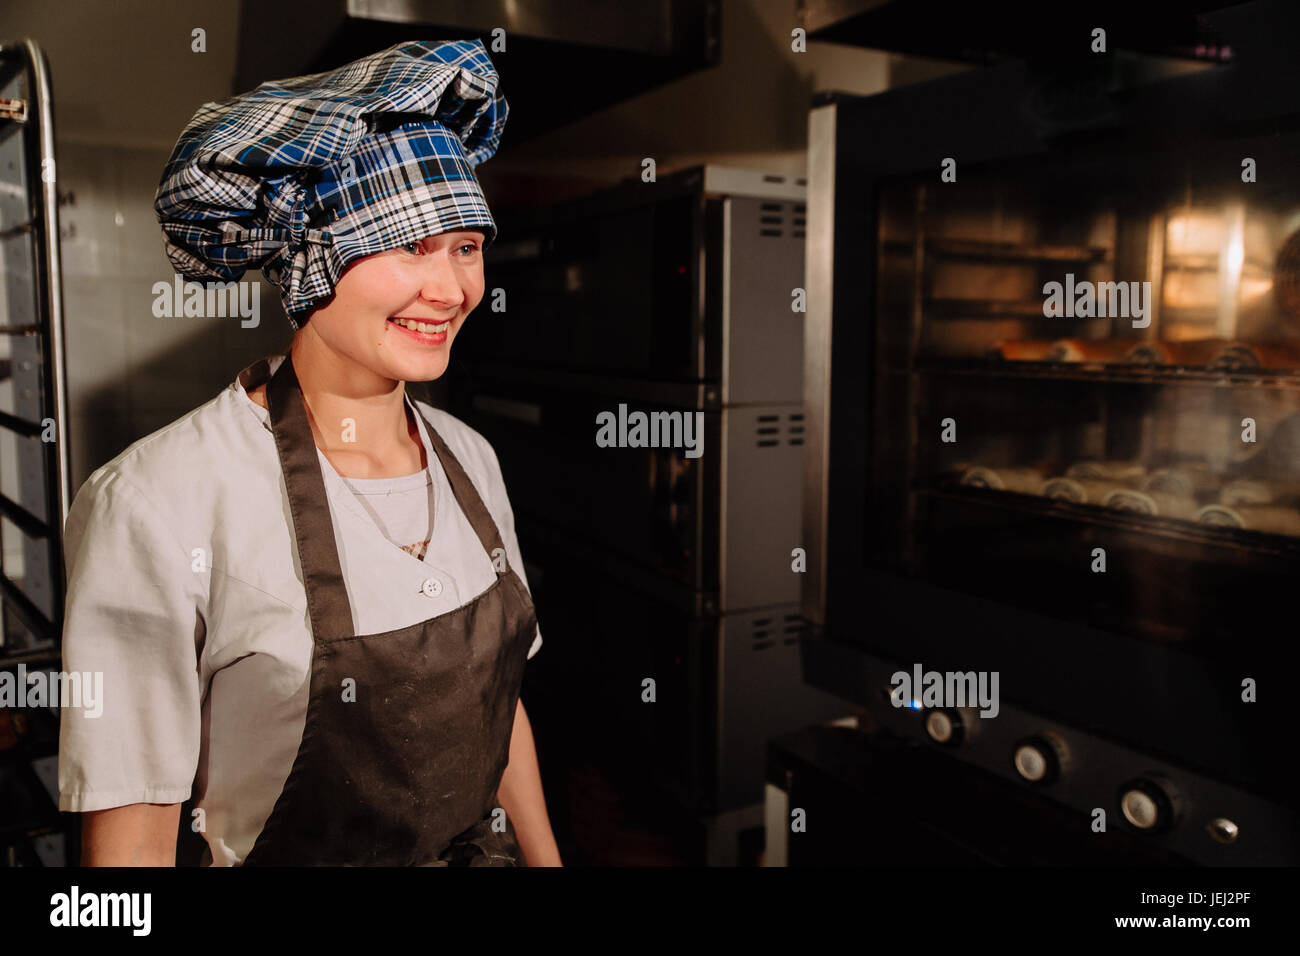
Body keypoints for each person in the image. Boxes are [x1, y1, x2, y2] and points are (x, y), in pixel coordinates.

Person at [57, 39, 561, 866]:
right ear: (308, 257)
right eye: (409, 245)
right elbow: (135, 833)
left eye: (466, 247)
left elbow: (498, 713)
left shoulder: (471, 458)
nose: (451, 289)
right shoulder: (158, 501)